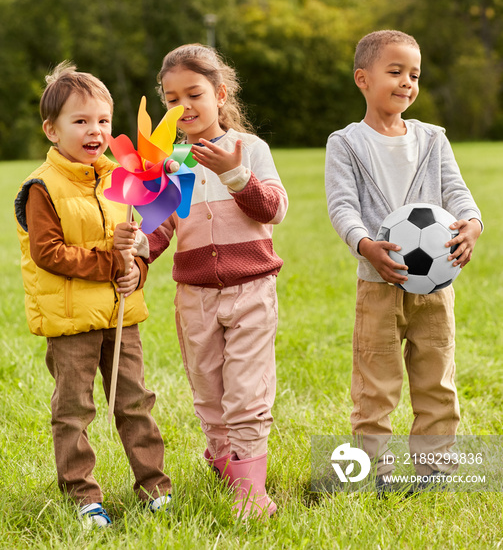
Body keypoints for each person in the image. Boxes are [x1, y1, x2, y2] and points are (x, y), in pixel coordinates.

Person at [116, 44, 288, 518]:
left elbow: (272, 209)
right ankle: (223, 459)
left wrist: (234, 174)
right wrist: (138, 250)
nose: (182, 107)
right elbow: (162, 227)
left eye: (194, 94)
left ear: (220, 92)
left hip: (251, 289)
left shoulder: (249, 150)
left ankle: (251, 494)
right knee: (209, 391)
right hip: (195, 295)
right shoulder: (168, 162)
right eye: (171, 99)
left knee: (246, 393)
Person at [325, 30, 482, 494]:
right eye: (395, 72)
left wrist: (471, 223)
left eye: (414, 74)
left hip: (436, 288)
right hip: (378, 285)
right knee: (375, 383)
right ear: (362, 78)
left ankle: (435, 471)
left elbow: (455, 190)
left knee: (437, 379)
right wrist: (366, 245)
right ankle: (372, 471)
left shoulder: (433, 138)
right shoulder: (347, 142)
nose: (407, 82)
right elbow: (342, 206)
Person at [14, 62, 171, 528]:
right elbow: (48, 253)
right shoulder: (42, 187)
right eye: (80, 121)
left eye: (103, 120)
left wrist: (136, 271)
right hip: (71, 323)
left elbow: (138, 240)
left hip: (121, 313)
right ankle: (83, 495)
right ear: (52, 129)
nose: (95, 130)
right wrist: (109, 265)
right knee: (74, 409)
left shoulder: (124, 181)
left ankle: (154, 487)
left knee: (134, 402)